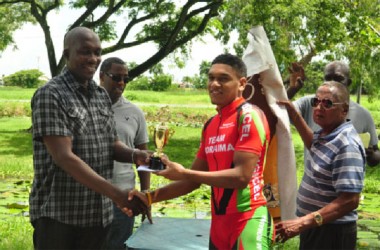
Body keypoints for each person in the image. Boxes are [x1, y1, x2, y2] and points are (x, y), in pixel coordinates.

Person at [127, 53, 275, 249]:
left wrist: (183, 172)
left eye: (223, 79)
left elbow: (241, 177)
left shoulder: (249, 116)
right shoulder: (211, 125)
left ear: (241, 83)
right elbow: (192, 182)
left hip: (248, 220)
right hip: (219, 226)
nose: (214, 84)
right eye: (211, 78)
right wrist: (150, 197)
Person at [30, 27, 150, 249]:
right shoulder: (51, 94)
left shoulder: (100, 95)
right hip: (60, 217)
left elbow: (111, 144)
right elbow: (64, 157)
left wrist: (137, 155)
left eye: (97, 52)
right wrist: (117, 194)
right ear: (67, 54)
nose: (93, 59)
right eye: (85, 51)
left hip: (98, 215)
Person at [276, 81, 365, 249]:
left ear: (344, 110)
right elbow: (314, 146)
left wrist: (303, 222)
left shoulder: (346, 144)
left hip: (332, 232)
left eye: (327, 103)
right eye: (316, 102)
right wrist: (294, 114)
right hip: (317, 226)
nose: (319, 107)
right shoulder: (328, 134)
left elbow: (350, 200)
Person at [99, 57, 151, 250]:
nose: (121, 83)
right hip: (92, 196)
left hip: (124, 196)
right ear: (102, 76)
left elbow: (142, 156)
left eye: (125, 79)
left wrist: (146, 194)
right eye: (116, 77)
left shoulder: (134, 112)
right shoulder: (86, 107)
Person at [287, 61, 380, 167]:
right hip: (313, 181)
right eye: (328, 78)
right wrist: (292, 89)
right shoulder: (311, 103)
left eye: (338, 78)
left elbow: (376, 153)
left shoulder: (363, 115)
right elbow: (278, 110)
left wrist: (371, 155)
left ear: (348, 82)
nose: (332, 83)